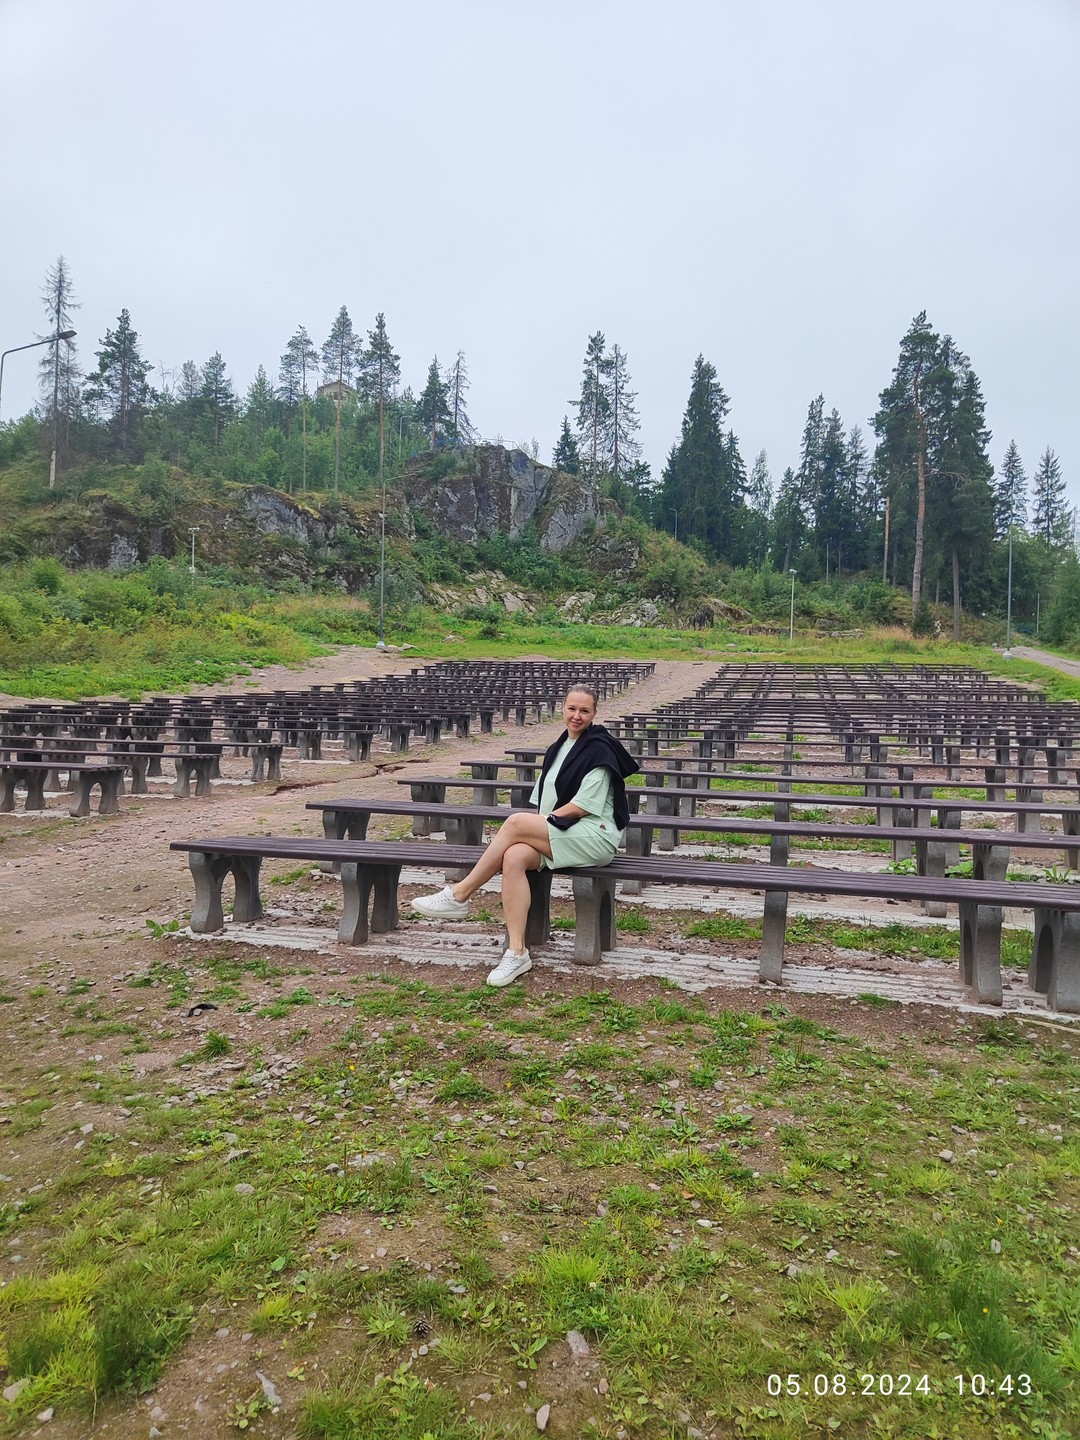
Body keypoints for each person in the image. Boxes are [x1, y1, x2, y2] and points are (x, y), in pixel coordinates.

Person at [412, 683, 639, 986]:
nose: (577, 715)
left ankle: (459, 894)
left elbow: (581, 808)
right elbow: (545, 801)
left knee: (516, 824)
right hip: (565, 833)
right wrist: (538, 826)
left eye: (584, 710)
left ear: (595, 713)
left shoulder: (599, 748)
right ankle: (517, 952)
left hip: (594, 836)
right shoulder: (558, 748)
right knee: (514, 856)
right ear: (563, 709)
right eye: (572, 708)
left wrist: (539, 825)